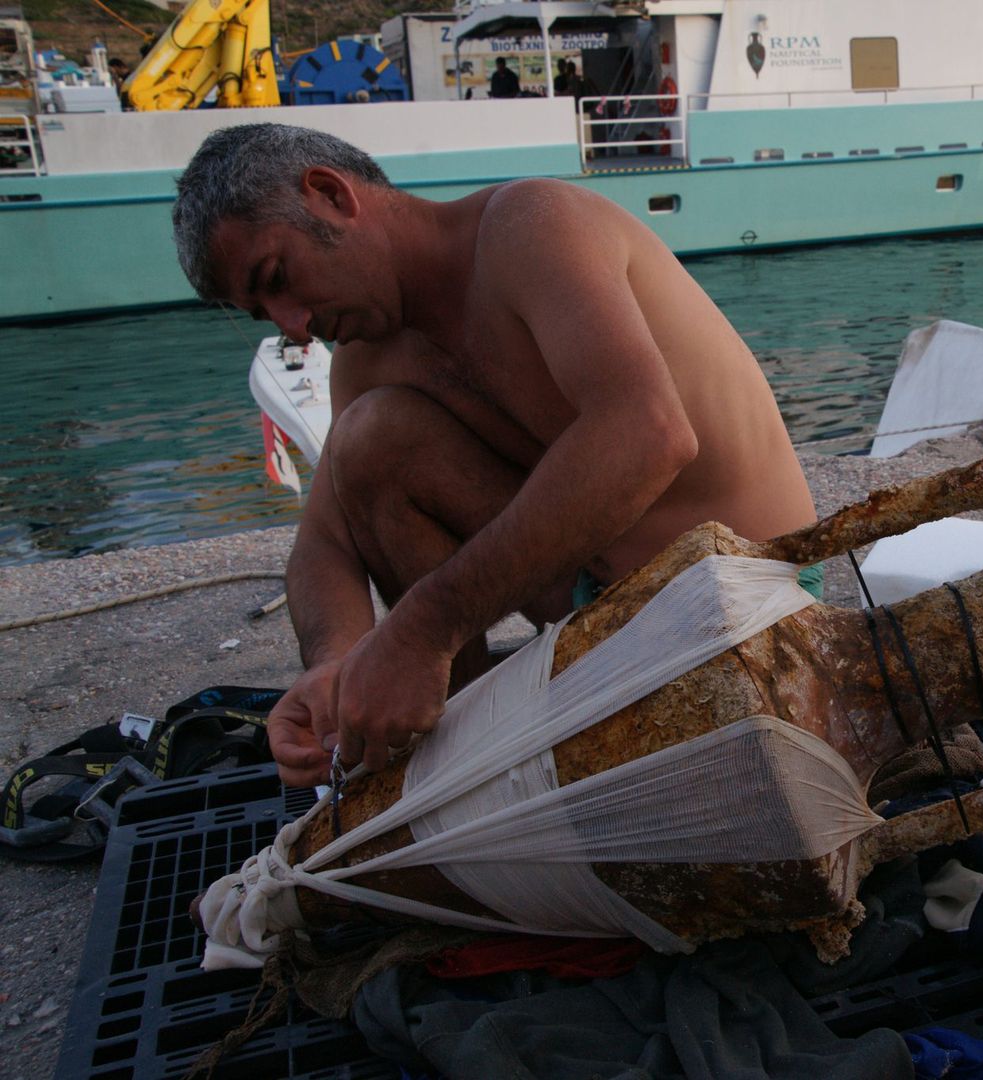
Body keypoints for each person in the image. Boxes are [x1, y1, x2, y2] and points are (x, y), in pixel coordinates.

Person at [171, 124, 818, 787]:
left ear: (330, 195)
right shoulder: (366, 360)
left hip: (744, 601)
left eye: (278, 278)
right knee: (370, 442)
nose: (292, 325)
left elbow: (650, 434)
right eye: (264, 312)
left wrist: (422, 630)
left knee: (390, 492)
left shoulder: (530, 225)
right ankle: (474, 762)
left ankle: (488, 752)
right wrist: (336, 667)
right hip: (596, 612)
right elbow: (324, 542)